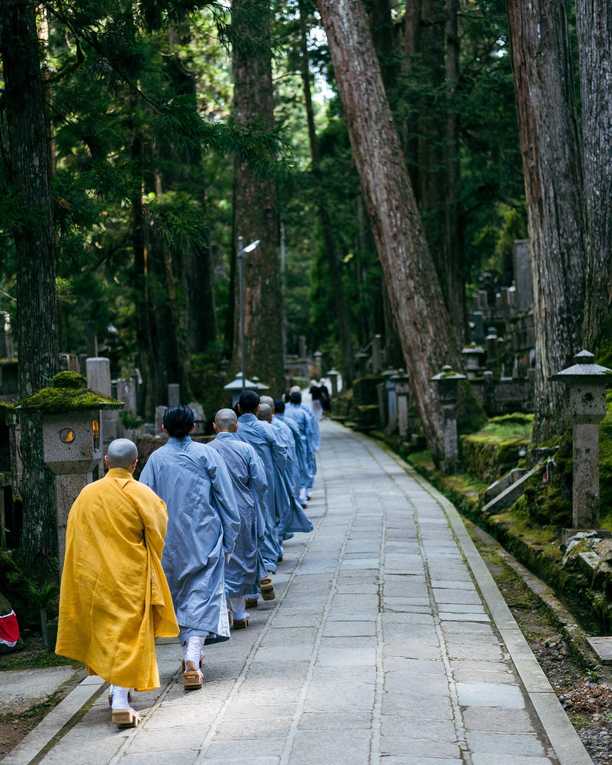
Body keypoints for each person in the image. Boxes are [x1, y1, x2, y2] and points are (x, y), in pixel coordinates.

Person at [56, 439, 178, 728]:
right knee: (128, 636)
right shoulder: (142, 494)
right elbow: (158, 535)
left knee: (109, 636)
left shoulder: (86, 494)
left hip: (93, 578)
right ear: (136, 464)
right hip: (129, 576)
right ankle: (121, 700)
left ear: (107, 462)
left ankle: (115, 690)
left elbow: (74, 538)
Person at [140, 406, 240, 691]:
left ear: (163, 428)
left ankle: (191, 652)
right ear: (194, 428)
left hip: (168, 540)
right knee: (202, 594)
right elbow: (226, 499)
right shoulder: (207, 454)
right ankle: (192, 656)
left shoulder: (156, 460)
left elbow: (143, 502)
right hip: (204, 536)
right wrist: (230, 536)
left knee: (179, 596)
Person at [209, 408, 267, 629]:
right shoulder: (246, 449)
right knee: (242, 557)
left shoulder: (206, 451)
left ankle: (223, 610)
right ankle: (240, 612)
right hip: (243, 508)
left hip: (214, 511)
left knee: (219, 559)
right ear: (236, 426)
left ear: (215, 426)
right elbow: (261, 483)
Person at [235, 390, 286, 602]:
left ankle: (253, 583)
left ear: (238, 408)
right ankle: (265, 567)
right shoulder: (265, 428)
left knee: (244, 531)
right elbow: (281, 453)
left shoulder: (233, 429)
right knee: (264, 524)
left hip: (238, 485)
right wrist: (278, 474)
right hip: (264, 481)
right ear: (258, 408)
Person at [257, 401, 313, 538]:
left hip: (262, 475)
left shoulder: (248, 429)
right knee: (274, 510)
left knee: (268, 511)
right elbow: (285, 452)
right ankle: (277, 541)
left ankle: (276, 542)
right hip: (275, 473)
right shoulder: (282, 426)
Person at [274, 399, 310, 507]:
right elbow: (304, 434)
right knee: (295, 477)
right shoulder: (290, 422)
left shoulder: (271, 425)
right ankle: (299, 498)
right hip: (292, 453)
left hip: (276, 460)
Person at [285, 387, 318, 497]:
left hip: (288, 443)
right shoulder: (303, 412)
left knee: (293, 466)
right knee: (304, 465)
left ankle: (297, 491)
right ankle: (304, 492)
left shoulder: (285, 411)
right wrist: (313, 445)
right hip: (302, 443)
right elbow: (310, 431)